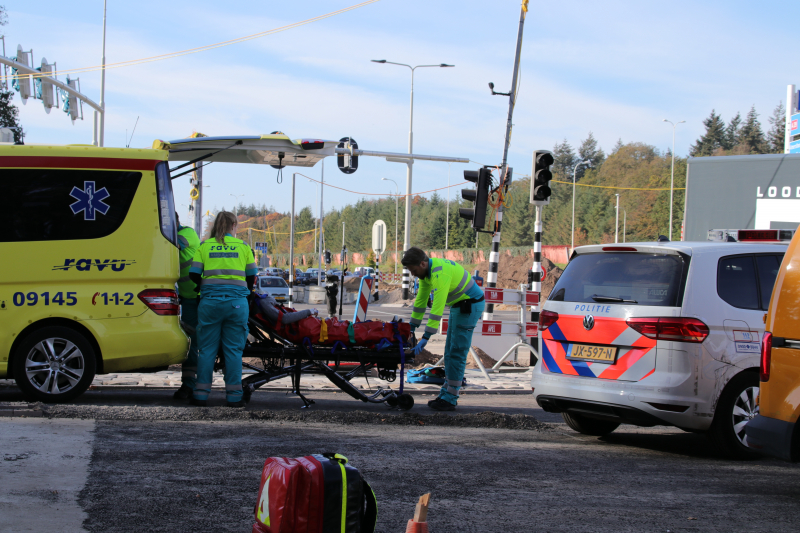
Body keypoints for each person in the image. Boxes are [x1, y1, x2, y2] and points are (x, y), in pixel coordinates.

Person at [188, 211, 257, 408]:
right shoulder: (243, 246)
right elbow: (252, 275)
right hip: (237, 304)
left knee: (206, 350)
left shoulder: (205, 246)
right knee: (233, 351)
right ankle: (234, 397)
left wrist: (205, 286)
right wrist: (245, 292)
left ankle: (200, 395)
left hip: (210, 303)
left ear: (216, 225)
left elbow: (194, 274)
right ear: (233, 226)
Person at [402, 247, 484, 411]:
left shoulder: (440, 274)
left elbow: (437, 308)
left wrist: (426, 337)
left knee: (456, 352)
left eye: (414, 270)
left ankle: (450, 398)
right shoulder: (427, 273)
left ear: (422, 264)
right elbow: (421, 302)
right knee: (449, 351)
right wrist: (411, 328)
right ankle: (446, 393)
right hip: (460, 306)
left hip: (469, 306)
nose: (413, 274)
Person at [173, 214, 201, 400]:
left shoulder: (187, 233)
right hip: (190, 299)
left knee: (197, 342)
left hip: (200, 297)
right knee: (191, 343)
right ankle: (189, 384)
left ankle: (194, 386)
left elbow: (170, 245)